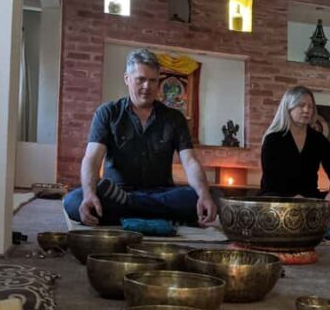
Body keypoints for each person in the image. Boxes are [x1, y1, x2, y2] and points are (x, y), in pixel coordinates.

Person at [63, 49, 219, 227]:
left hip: (159, 193)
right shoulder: (108, 112)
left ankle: (128, 208)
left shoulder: (175, 118)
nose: (147, 86)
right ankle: (161, 218)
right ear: (127, 79)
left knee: (211, 196)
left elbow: (190, 161)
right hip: (116, 191)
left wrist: (204, 194)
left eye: (153, 80)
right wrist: (89, 194)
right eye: (141, 79)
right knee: (73, 201)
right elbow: (92, 158)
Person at [260, 86, 330, 227]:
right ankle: (327, 224)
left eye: (310, 107)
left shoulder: (319, 140)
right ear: (288, 108)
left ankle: (309, 221)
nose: (306, 110)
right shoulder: (272, 139)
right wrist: (293, 198)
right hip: (281, 197)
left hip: (310, 198)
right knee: (268, 206)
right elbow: (271, 181)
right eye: (301, 105)